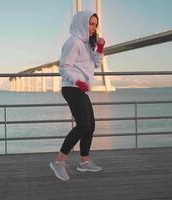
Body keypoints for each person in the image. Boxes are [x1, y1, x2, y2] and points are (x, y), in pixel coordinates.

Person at [49, 10, 105, 181]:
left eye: (95, 25)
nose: (93, 28)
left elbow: (95, 64)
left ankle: (84, 162)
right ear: (81, 22)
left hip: (80, 89)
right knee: (83, 125)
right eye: (90, 23)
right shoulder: (73, 42)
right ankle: (59, 162)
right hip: (72, 88)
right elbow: (64, 68)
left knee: (91, 125)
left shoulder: (87, 44)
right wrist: (78, 82)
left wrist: (100, 48)